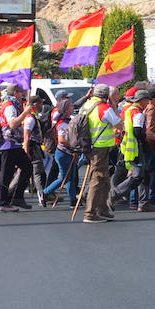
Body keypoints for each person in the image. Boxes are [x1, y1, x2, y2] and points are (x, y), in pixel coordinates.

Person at [82, 83, 122, 223]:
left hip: (90, 146)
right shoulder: (103, 108)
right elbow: (119, 124)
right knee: (97, 179)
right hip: (100, 147)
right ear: (106, 96)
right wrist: (114, 106)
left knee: (104, 179)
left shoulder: (87, 105)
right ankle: (90, 213)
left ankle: (102, 209)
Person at [0, 84, 33, 213]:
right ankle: (2, 202)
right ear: (15, 92)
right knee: (6, 174)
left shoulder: (13, 105)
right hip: (8, 143)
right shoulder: (9, 106)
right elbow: (12, 124)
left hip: (15, 143)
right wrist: (25, 113)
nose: (23, 94)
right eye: (21, 92)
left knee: (28, 167)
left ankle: (17, 197)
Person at [43, 95, 78, 208]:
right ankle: (45, 192)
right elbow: (62, 140)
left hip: (69, 152)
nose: (73, 107)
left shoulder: (68, 121)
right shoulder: (62, 123)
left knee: (70, 178)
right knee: (64, 178)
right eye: (71, 106)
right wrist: (74, 145)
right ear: (66, 109)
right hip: (63, 153)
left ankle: (73, 201)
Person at [23, 95, 48, 207]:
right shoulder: (30, 118)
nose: (42, 105)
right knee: (38, 172)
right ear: (35, 105)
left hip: (35, 147)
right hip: (32, 148)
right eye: (40, 103)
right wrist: (26, 151)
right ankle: (41, 196)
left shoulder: (33, 116)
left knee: (37, 172)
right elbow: (26, 136)